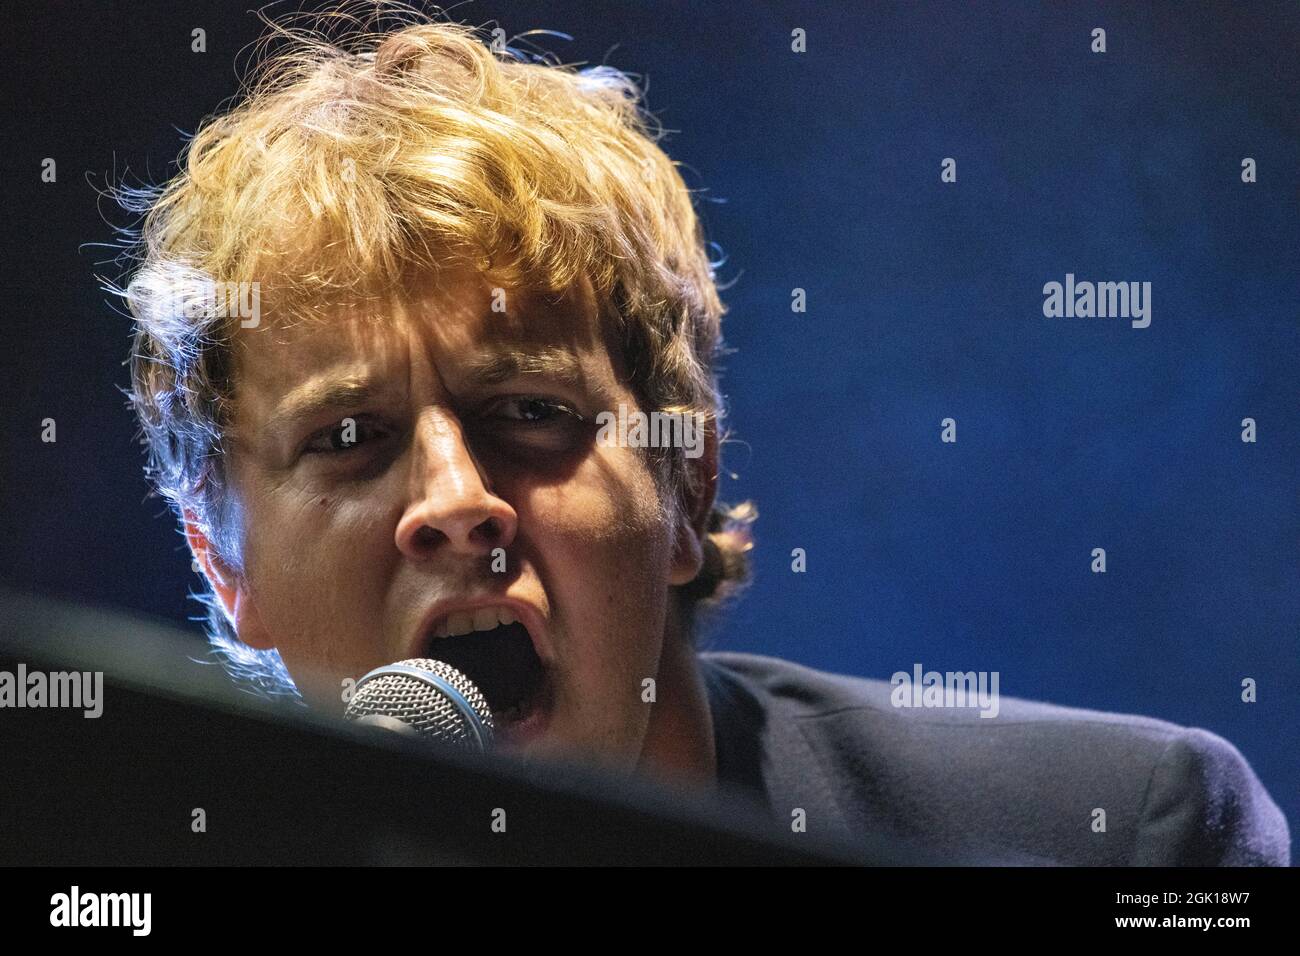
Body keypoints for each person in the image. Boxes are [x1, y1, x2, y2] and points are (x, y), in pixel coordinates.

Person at [112, 10, 1288, 865]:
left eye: (532, 414)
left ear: (686, 475)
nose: (457, 497)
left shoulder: (1123, 834)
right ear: (224, 565)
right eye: (350, 437)